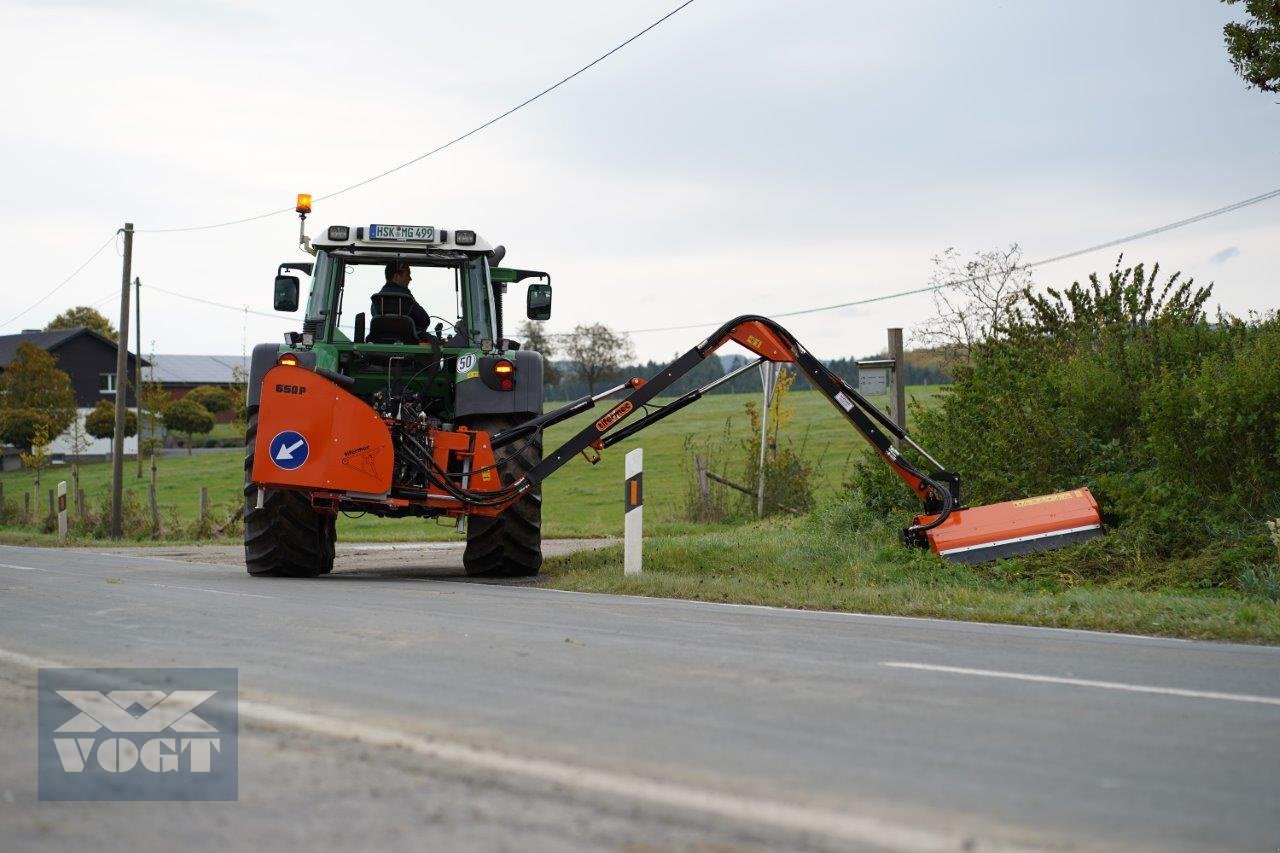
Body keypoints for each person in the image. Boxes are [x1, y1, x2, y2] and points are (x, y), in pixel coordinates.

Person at [372, 261, 435, 341]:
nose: (410, 279)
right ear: (396, 277)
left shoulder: (376, 300)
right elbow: (425, 320)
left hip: (381, 343)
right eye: (407, 274)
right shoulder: (406, 299)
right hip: (409, 344)